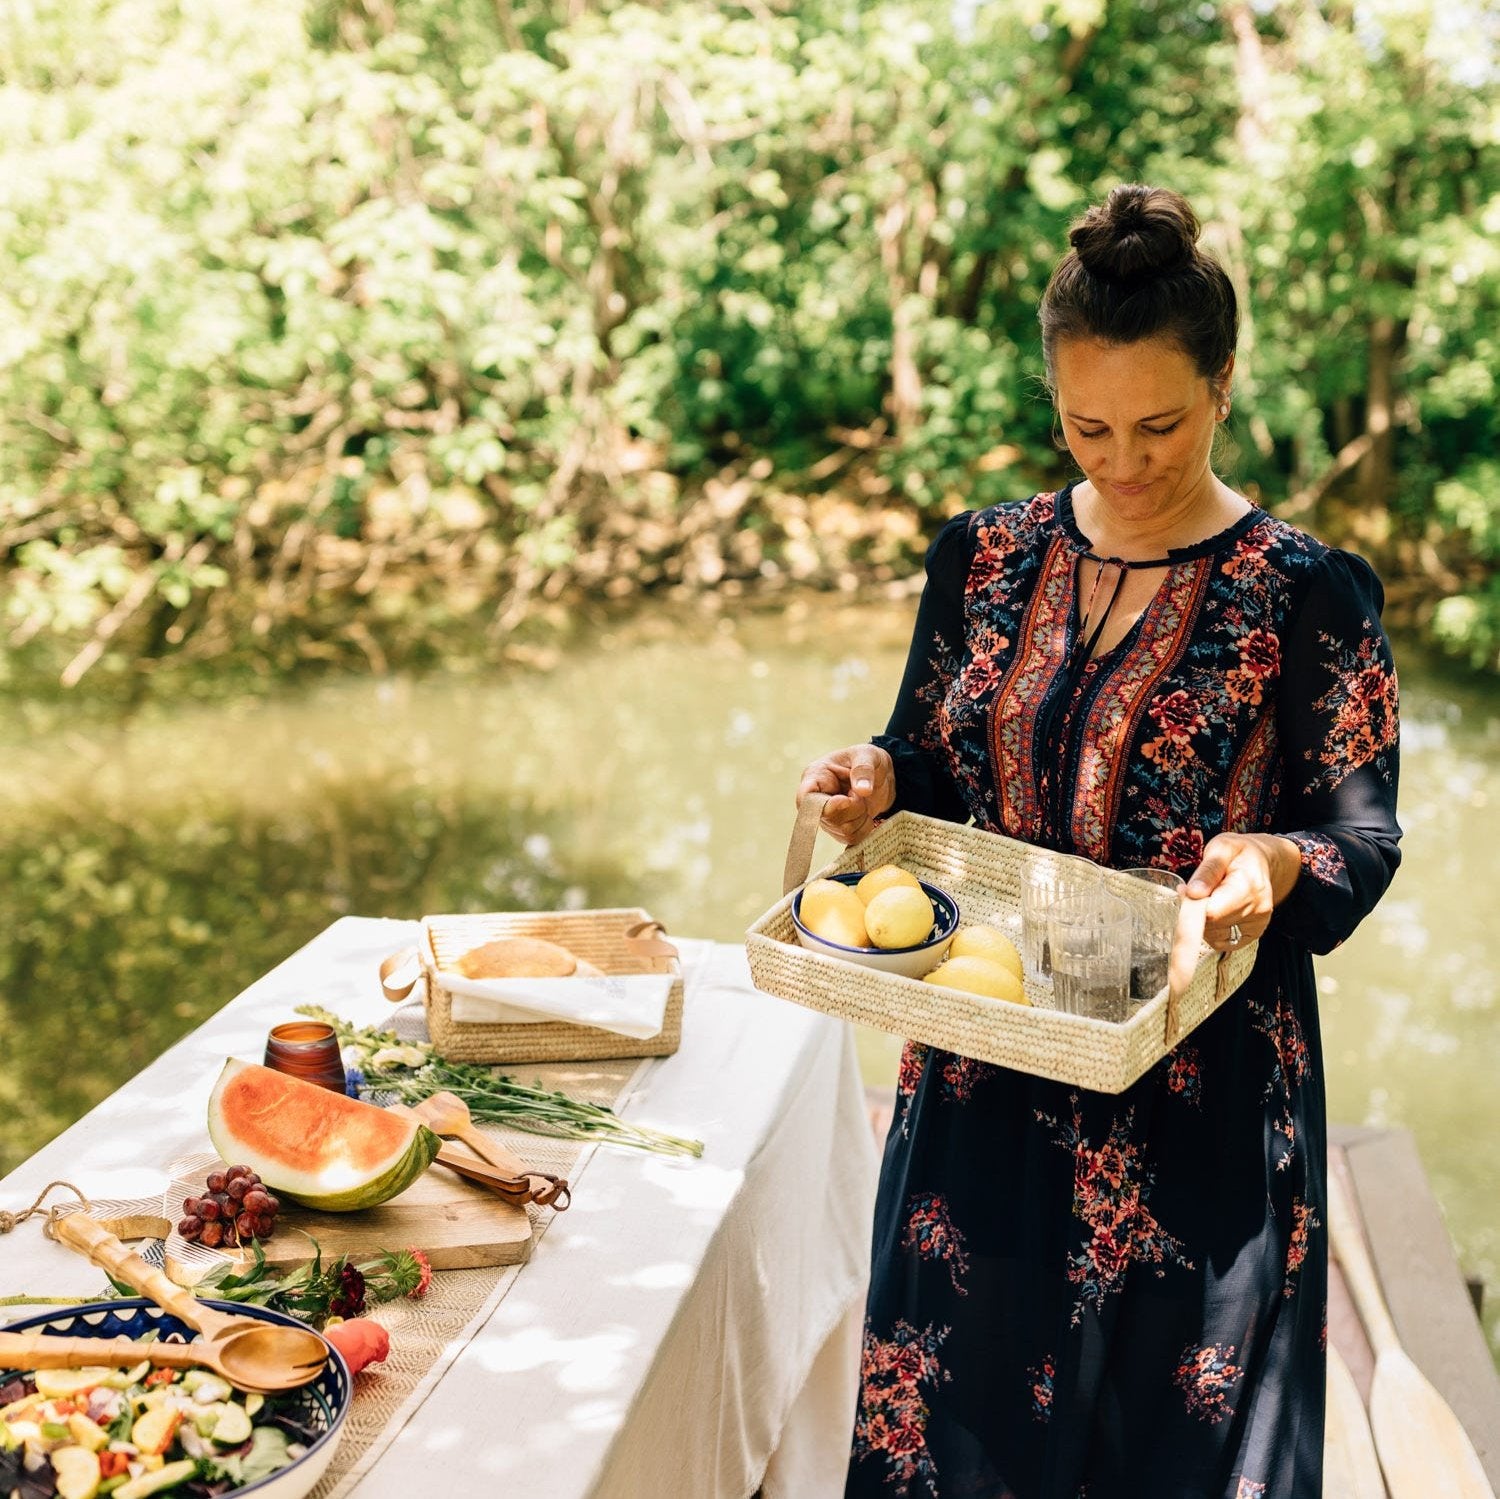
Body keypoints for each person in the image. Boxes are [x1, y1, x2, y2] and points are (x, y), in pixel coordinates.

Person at [799, 184, 1401, 1498]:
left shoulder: (1310, 593)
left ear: (1225, 386)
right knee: (954, 1454)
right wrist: (872, 782)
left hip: (1206, 1109)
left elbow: (1365, 837)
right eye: (1087, 427)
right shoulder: (983, 559)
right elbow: (934, 764)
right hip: (983, 1090)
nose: (1122, 464)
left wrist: (1280, 863)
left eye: (1160, 426)